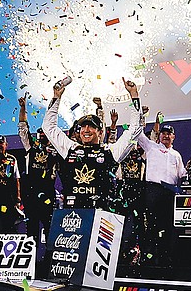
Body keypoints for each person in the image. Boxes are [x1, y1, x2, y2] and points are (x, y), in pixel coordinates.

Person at [43, 77, 143, 210]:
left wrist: (134, 95)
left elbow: (135, 129)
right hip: (71, 216)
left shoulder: (110, 151)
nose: (86, 130)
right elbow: (48, 127)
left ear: (100, 132)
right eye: (83, 127)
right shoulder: (70, 149)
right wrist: (56, 97)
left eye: (91, 127)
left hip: (102, 217)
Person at [137, 111, 187, 266]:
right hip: (153, 190)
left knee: (169, 226)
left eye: (169, 134)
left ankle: (167, 257)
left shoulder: (177, 155)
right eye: (163, 133)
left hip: (170, 192)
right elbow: (138, 133)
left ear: (174, 137)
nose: (166, 136)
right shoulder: (151, 147)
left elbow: (181, 173)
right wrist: (140, 115)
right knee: (151, 224)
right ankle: (149, 257)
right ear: (158, 135)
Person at [18, 95, 59, 267]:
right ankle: (29, 263)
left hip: (48, 195)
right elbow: (23, 128)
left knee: (50, 229)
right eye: (40, 133)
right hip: (31, 195)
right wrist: (23, 107)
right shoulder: (30, 147)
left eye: (45, 134)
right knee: (32, 230)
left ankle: (50, 262)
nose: (42, 136)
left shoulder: (56, 150)